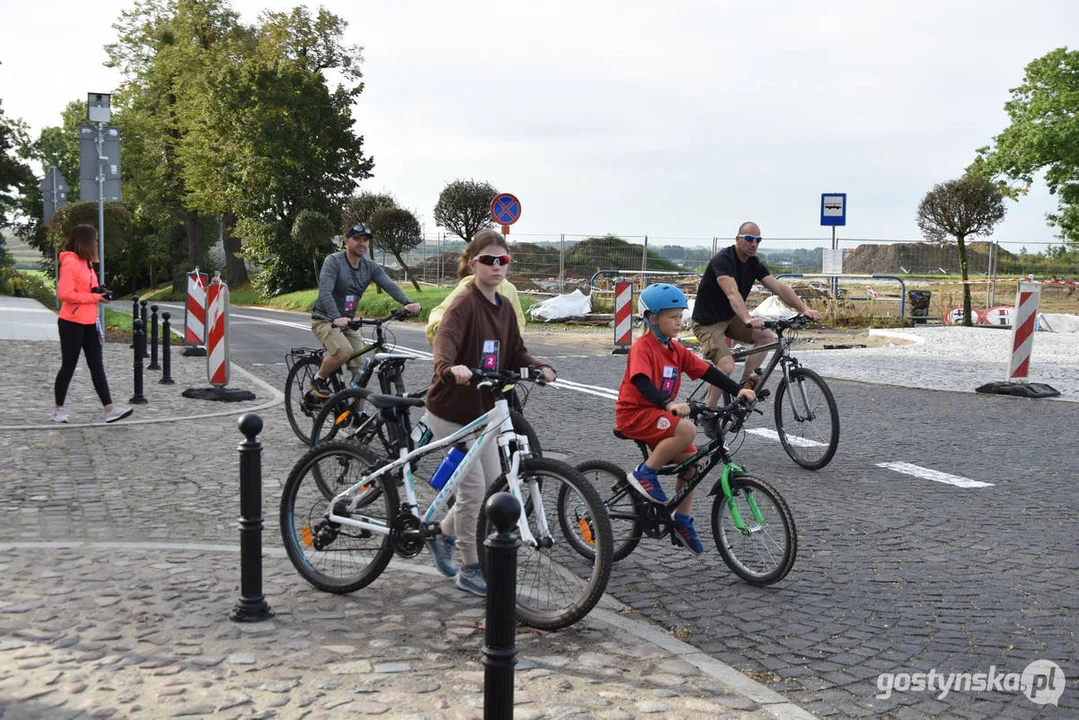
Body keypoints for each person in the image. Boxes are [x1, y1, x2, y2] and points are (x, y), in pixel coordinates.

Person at [425, 228, 556, 595]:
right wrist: (449, 368)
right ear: (473, 263)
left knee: (492, 488)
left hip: (485, 409)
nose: (497, 266)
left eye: (503, 260)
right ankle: (469, 567)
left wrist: (537, 366)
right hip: (453, 408)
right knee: (473, 491)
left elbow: (516, 350)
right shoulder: (464, 302)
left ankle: (442, 534)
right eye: (488, 260)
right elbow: (444, 338)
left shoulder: (504, 306)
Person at [615, 283, 755, 553]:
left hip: (659, 416)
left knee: (692, 466)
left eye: (681, 316)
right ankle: (645, 474)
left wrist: (739, 389)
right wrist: (669, 404)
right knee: (687, 430)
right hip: (635, 415)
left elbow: (707, 372)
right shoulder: (642, 348)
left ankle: (681, 521)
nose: (679, 322)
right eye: (672, 317)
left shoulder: (675, 350)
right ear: (652, 318)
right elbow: (642, 382)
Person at [690, 221, 821, 410]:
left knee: (766, 337)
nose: (754, 244)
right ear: (737, 239)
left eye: (758, 240)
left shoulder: (753, 263)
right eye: (750, 239)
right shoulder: (723, 260)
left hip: (730, 317)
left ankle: (745, 384)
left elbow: (779, 287)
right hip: (708, 322)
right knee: (726, 366)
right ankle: (710, 412)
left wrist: (804, 309)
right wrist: (747, 318)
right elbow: (732, 293)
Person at [309, 223, 421, 397]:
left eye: (365, 240)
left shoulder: (371, 267)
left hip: (348, 322)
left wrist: (408, 303)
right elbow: (325, 292)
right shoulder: (333, 261)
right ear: (346, 240)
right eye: (357, 239)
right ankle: (319, 378)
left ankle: (358, 415)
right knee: (344, 351)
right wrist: (336, 317)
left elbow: (389, 285)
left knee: (361, 370)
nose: (362, 243)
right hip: (325, 319)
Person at [53, 224, 133, 424]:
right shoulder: (70, 262)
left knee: (97, 365)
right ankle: (59, 410)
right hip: (71, 322)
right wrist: (93, 298)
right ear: (87, 242)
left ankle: (110, 409)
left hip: (90, 321)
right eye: (95, 240)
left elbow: (89, 288)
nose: (97, 244)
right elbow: (65, 294)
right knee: (68, 366)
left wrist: (99, 293)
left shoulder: (87, 263)